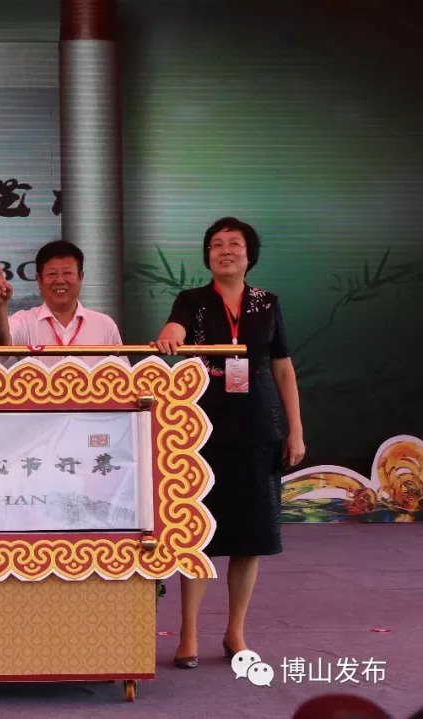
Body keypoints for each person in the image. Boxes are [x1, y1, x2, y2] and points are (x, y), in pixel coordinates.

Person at [153, 217, 305, 669]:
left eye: (234, 244)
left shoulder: (267, 304)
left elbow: (283, 368)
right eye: (216, 244)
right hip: (201, 429)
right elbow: (175, 329)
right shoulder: (192, 300)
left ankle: (235, 632)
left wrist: (295, 430)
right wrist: (170, 337)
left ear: (248, 255)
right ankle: (188, 634)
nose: (225, 250)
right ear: (207, 256)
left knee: (250, 536)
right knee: (196, 534)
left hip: (258, 427)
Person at [0, 239, 123, 364]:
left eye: (67, 273)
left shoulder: (104, 325)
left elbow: (124, 374)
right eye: (52, 274)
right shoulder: (25, 321)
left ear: (80, 277)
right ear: (39, 280)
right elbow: (1, 345)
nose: (60, 281)